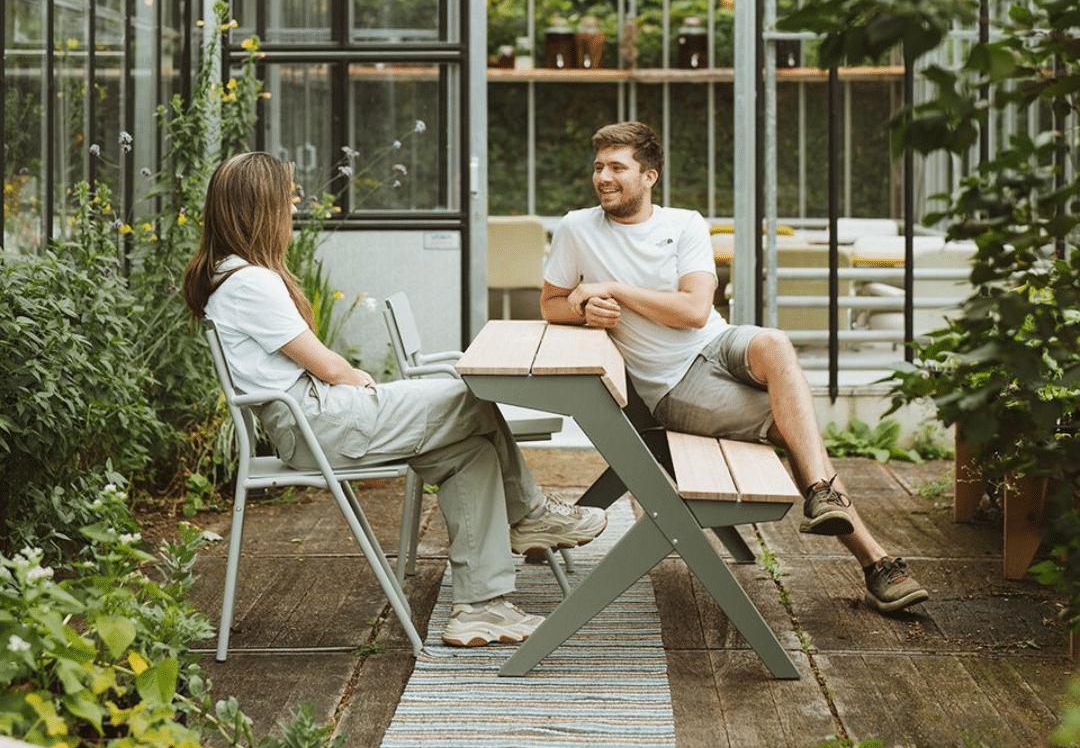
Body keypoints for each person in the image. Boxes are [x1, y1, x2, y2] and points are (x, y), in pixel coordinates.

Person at [183, 152, 606, 648]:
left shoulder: (230, 277)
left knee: (469, 453)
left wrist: (352, 382)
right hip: (322, 424)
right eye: (286, 202)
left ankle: (481, 608)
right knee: (473, 396)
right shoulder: (250, 282)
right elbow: (325, 365)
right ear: (259, 209)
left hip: (316, 420)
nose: (292, 213)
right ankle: (531, 514)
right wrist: (357, 378)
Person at [540, 121, 928, 614]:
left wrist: (611, 290)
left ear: (650, 177)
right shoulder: (578, 228)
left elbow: (694, 311)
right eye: (598, 167)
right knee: (794, 426)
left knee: (774, 342)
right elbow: (551, 303)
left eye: (617, 167)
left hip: (717, 342)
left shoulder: (685, 223)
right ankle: (872, 559)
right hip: (675, 386)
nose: (603, 177)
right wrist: (580, 309)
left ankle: (829, 504)